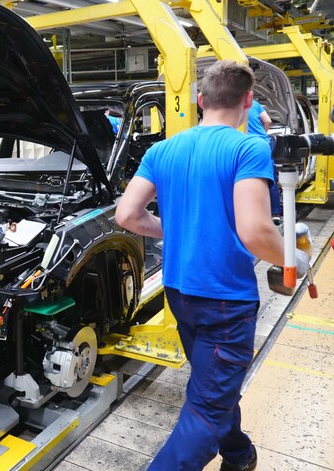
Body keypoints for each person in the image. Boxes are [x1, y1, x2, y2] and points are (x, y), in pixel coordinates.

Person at [115, 60, 309, 471]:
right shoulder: (248, 147)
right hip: (225, 301)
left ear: (200, 100)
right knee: (206, 406)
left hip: (180, 294)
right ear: (249, 100)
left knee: (211, 386)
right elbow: (256, 231)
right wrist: (294, 259)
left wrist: (178, 228)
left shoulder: (162, 149)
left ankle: (238, 454)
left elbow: (128, 216)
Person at [248, 99, 282, 216]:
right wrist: (261, 134)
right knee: (270, 179)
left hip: (247, 145)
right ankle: (275, 212)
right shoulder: (255, 104)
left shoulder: (231, 104)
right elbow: (267, 120)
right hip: (264, 143)